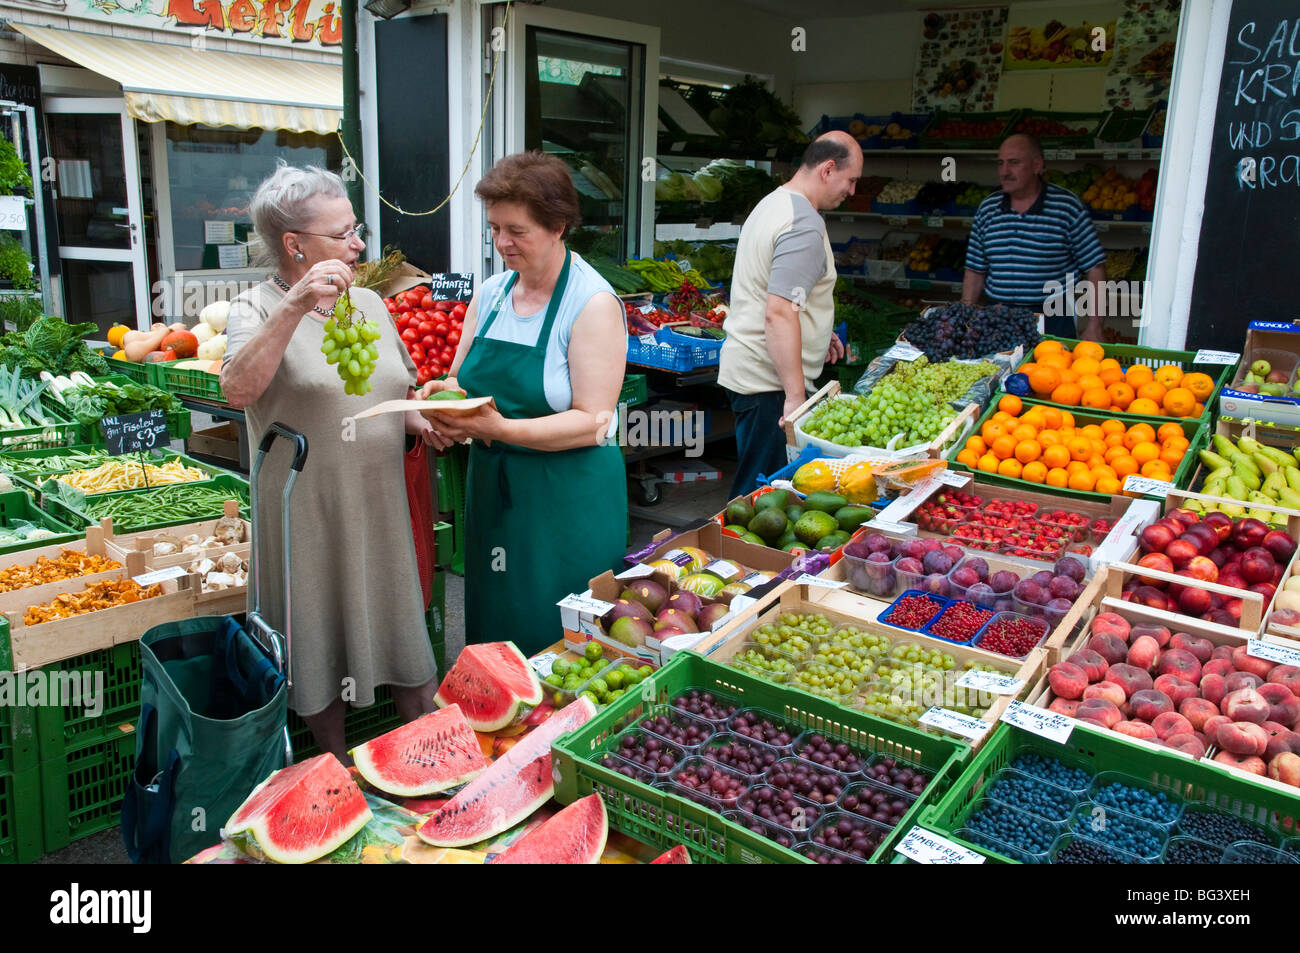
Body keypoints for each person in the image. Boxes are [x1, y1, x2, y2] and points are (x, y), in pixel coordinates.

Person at [220, 163, 438, 762]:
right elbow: (237, 391)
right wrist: (293, 306)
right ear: (295, 245)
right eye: (343, 234)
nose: (359, 244)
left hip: (381, 500)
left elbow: (396, 394)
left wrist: (435, 418)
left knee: (403, 631)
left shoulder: (368, 301)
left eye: (356, 228)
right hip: (306, 505)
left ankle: (432, 759)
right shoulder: (254, 309)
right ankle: (331, 762)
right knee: (314, 635)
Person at [419, 151, 627, 658]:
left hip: (567, 499)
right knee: (496, 625)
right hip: (494, 492)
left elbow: (592, 422)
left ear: (558, 226)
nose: (502, 243)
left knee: (560, 638)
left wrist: (498, 428)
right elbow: (459, 384)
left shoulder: (591, 304)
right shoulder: (490, 296)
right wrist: (442, 409)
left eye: (517, 230)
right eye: (494, 229)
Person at [717, 131, 861, 498]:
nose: (852, 191)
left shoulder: (773, 203)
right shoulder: (804, 224)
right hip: (770, 386)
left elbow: (777, 290)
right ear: (828, 169)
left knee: (758, 488)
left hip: (752, 374)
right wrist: (795, 398)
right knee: (761, 500)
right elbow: (779, 312)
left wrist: (816, 328)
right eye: (851, 180)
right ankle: (733, 554)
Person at [962, 134, 1107, 340]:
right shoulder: (988, 209)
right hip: (997, 317)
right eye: (1000, 164)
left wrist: (1095, 325)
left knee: (1049, 372)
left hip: (1053, 318)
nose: (1005, 171)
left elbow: (1095, 268)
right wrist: (964, 317)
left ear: (1037, 165)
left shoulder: (1066, 207)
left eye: (1014, 163)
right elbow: (975, 270)